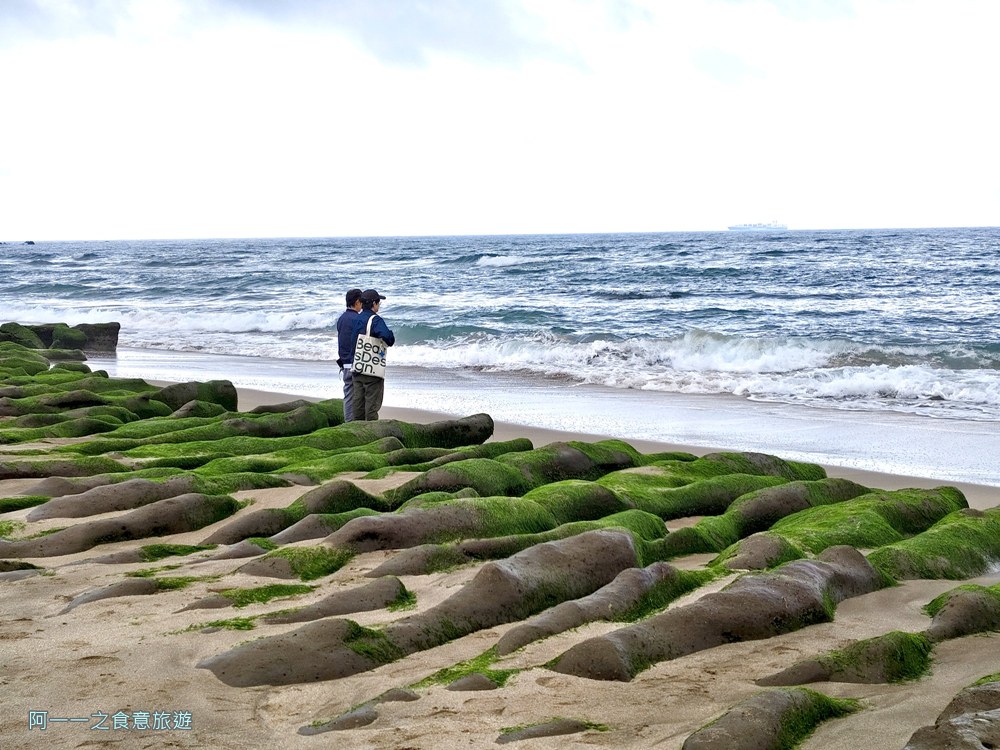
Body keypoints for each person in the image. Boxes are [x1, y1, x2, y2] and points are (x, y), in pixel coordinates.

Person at [350, 288, 394, 420]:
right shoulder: (375, 320)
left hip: (357, 367)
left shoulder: (356, 319)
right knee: (371, 408)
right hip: (371, 371)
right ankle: (371, 434)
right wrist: (390, 334)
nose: (379, 305)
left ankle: (356, 433)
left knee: (357, 406)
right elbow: (388, 339)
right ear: (374, 304)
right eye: (378, 302)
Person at [335, 288, 363, 421]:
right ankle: (354, 424)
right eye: (361, 301)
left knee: (348, 395)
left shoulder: (341, 319)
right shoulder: (357, 319)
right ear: (357, 302)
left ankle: (348, 423)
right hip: (354, 363)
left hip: (344, 362)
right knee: (359, 396)